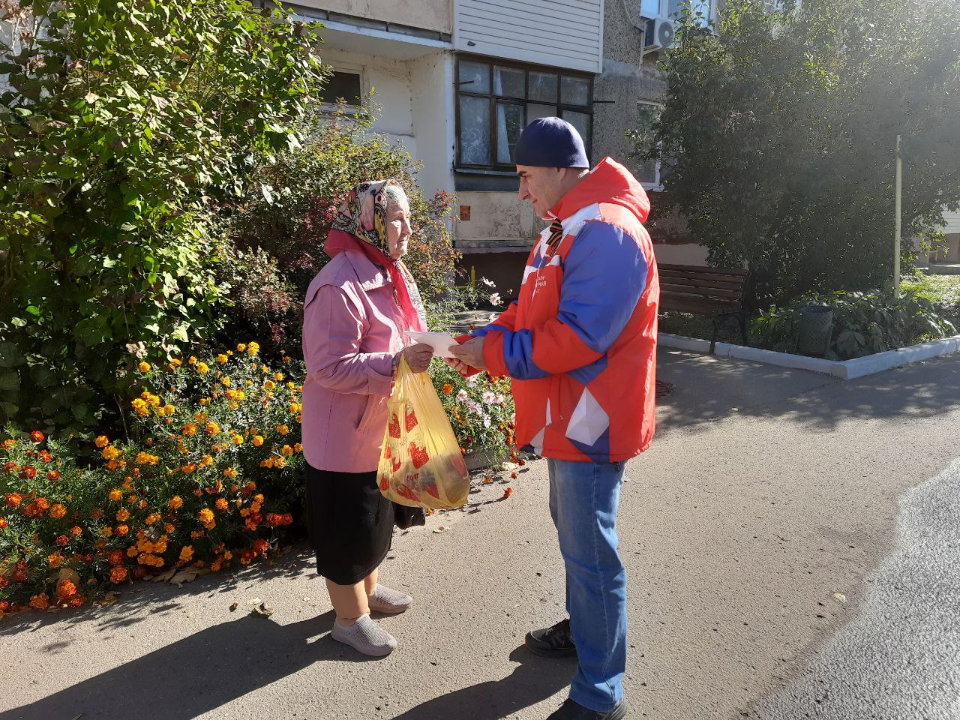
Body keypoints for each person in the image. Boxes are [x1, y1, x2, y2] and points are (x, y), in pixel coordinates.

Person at [450, 118, 660, 720]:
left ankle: (601, 694)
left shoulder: (609, 232)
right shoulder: (565, 230)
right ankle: (584, 631)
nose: (520, 190)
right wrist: (478, 343)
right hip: (573, 419)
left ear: (562, 168)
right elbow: (528, 312)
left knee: (592, 552)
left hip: (591, 421)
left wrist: (493, 354)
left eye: (523, 175)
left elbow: (578, 338)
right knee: (578, 541)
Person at [301, 180, 434, 657]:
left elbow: (407, 334)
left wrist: (433, 349)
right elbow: (327, 367)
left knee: (374, 522)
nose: (407, 229)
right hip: (343, 436)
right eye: (395, 219)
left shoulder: (391, 273)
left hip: (379, 427)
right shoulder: (339, 284)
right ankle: (349, 618)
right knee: (345, 530)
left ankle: (369, 592)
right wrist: (398, 363)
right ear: (368, 223)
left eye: (407, 218)